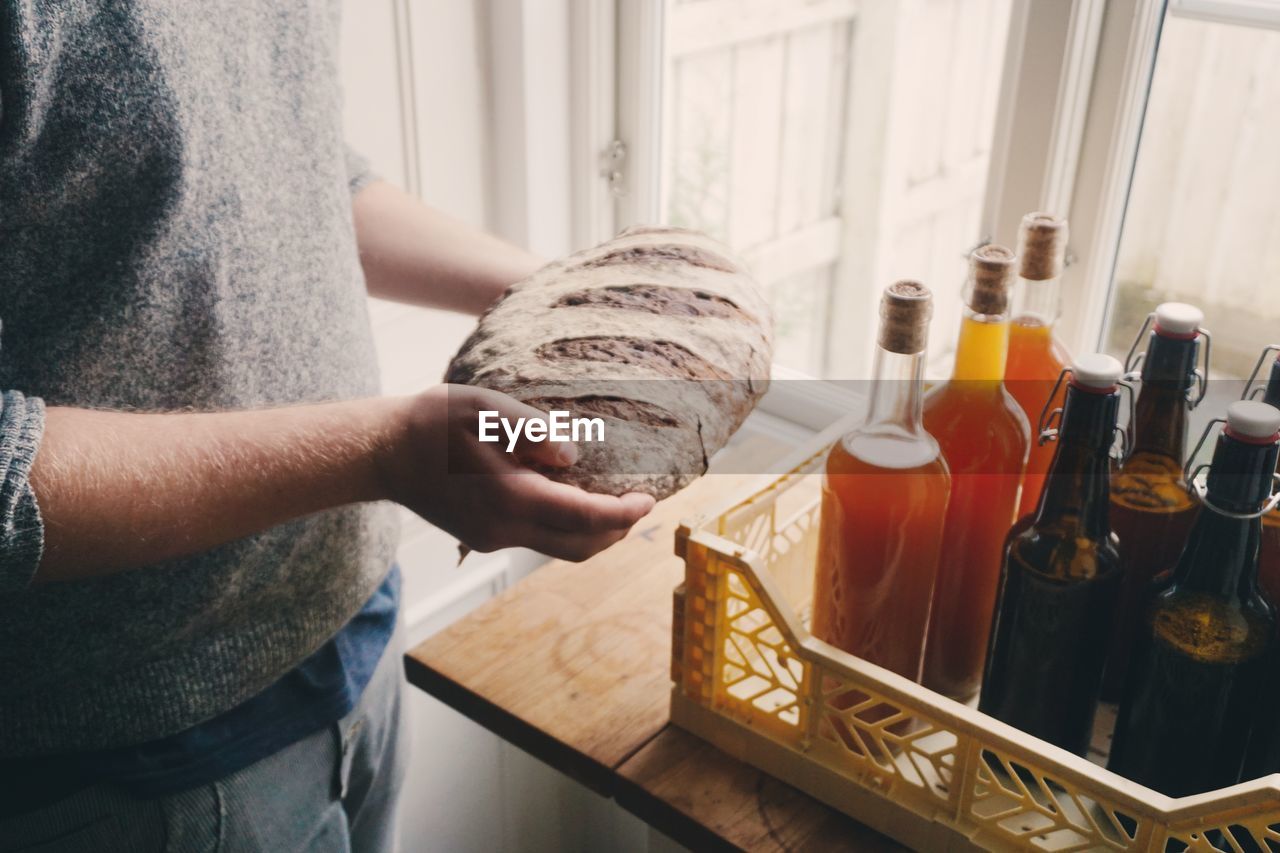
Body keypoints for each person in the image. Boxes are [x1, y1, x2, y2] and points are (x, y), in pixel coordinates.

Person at [0, 3, 654, 851]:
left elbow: (300, 171)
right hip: (137, 760)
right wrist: (379, 451)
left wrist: (549, 294)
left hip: (353, 626)